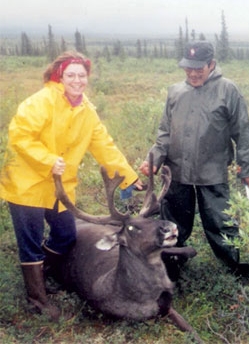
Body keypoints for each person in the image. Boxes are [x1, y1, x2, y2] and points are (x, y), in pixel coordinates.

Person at [0, 50, 143, 320]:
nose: (77, 80)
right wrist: (47, 160)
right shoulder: (40, 102)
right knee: (29, 243)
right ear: (60, 76)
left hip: (59, 190)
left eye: (82, 75)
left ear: (87, 78)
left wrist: (129, 176)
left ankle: (42, 274)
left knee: (65, 234)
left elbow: (104, 146)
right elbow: (20, 136)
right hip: (26, 184)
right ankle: (37, 300)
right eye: (71, 75)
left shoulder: (87, 111)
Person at [140, 41, 249, 279]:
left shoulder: (228, 90)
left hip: (212, 173)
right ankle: (170, 268)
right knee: (172, 223)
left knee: (220, 223)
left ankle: (237, 269)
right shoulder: (175, 92)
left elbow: (243, 132)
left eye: (198, 68)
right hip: (177, 173)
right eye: (188, 68)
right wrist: (155, 159)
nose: (192, 73)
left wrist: (246, 167)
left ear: (212, 64)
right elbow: (164, 133)